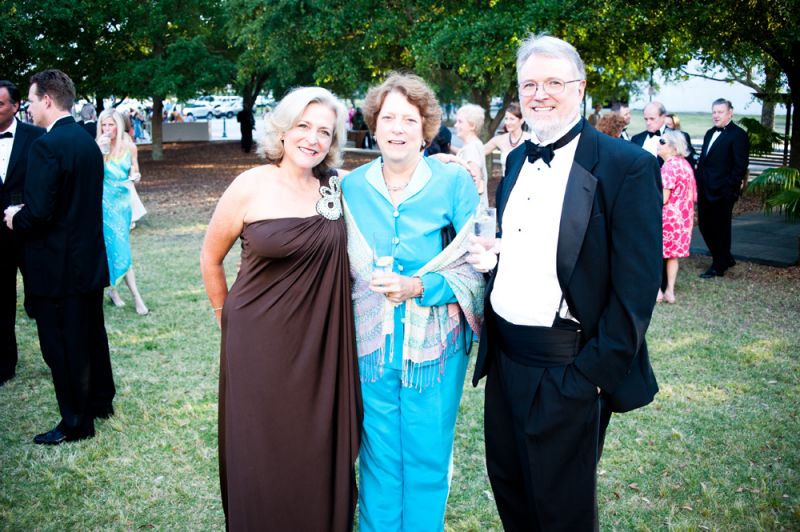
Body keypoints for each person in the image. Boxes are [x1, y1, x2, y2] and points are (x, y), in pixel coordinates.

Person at [467, 35, 662, 530]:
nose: (540, 93)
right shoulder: (513, 160)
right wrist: (497, 257)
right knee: (512, 496)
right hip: (505, 361)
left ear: (580, 88)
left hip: (568, 368)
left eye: (554, 82)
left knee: (562, 513)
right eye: (529, 84)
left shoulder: (628, 168)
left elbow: (636, 291)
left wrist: (590, 378)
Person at [200, 86, 361, 531]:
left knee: (314, 445)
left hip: (320, 344)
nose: (313, 139)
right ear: (284, 130)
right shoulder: (250, 185)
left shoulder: (339, 188)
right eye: (304, 126)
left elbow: (395, 179)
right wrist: (226, 318)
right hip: (257, 345)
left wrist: (442, 162)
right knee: (263, 448)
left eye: (324, 132)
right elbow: (210, 258)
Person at [341, 73, 484, 531]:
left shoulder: (454, 183)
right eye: (388, 118)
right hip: (370, 344)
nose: (398, 127)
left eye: (409, 118)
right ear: (373, 125)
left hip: (435, 349)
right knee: (379, 456)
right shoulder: (350, 187)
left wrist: (420, 287)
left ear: (426, 128)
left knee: (426, 454)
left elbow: (475, 265)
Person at [4, 69, 115, 444]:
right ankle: (101, 401)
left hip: (57, 266)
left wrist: (14, 216)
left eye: (32, 102)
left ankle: (76, 423)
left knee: (62, 345)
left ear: (47, 100)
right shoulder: (86, 141)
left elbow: (39, 212)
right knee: (91, 333)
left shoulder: (46, 145)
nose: (30, 110)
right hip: (87, 259)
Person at [0, 80, 45, 387]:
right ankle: (4, 365)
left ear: (16, 107)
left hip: (29, 233)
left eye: (0, 103)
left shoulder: (37, 138)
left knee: (41, 299)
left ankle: (55, 358)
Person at [96, 109, 149, 315]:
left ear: (118, 126)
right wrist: (100, 151)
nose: (107, 129)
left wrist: (136, 176)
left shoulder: (129, 147)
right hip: (104, 204)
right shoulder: (98, 147)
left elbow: (134, 170)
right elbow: (94, 174)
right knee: (112, 248)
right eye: (104, 125)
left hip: (123, 203)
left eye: (111, 125)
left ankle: (114, 290)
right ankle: (132, 296)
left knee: (120, 247)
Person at [695, 98, 749, 278]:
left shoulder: (738, 134)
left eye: (720, 112)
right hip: (705, 189)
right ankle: (725, 257)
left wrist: (729, 190)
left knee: (720, 228)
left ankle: (719, 265)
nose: (716, 115)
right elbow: (704, 161)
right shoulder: (710, 133)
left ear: (730, 113)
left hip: (723, 192)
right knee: (704, 225)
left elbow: (740, 166)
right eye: (714, 112)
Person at [657, 131, 697, 303]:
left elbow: (663, 198)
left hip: (668, 218)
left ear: (673, 147)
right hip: (683, 218)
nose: (659, 144)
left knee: (657, 254)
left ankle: (657, 291)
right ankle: (670, 291)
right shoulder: (686, 165)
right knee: (672, 256)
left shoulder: (669, 167)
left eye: (662, 141)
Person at [454, 103, 489, 206]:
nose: (456, 125)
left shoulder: (471, 148)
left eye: (460, 122)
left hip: (470, 212)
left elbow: (475, 184)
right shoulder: (474, 145)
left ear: (472, 126)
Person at [483, 102, 531, 174]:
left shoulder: (531, 140)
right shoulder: (499, 139)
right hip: (506, 183)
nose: (508, 122)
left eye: (512, 119)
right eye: (506, 119)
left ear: (521, 120)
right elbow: (479, 152)